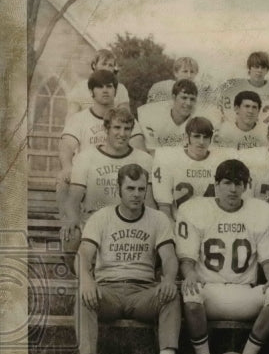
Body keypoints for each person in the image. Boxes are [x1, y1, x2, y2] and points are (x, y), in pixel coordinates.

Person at [176, 159, 269, 354]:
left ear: (246, 186)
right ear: (216, 184)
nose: (233, 189)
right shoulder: (195, 210)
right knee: (190, 292)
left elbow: (268, 260)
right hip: (209, 289)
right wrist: (189, 274)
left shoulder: (261, 212)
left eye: (239, 183)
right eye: (227, 183)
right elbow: (187, 259)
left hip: (244, 290)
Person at [75, 163, 181, 354]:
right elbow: (84, 254)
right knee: (83, 295)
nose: (136, 194)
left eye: (141, 189)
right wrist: (86, 279)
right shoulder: (101, 217)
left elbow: (170, 257)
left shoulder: (158, 219)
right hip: (108, 291)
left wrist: (169, 279)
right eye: (130, 189)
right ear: (118, 189)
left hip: (142, 292)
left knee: (171, 294)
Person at [61, 107, 155, 263]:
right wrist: (71, 219)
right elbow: (73, 200)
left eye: (127, 129)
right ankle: (78, 278)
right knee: (72, 233)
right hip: (94, 222)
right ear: (106, 129)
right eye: (117, 128)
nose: (122, 134)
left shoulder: (144, 159)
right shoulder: (86, 157)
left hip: (129, 222)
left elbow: (149, 202)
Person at [58, 70, 122, 212]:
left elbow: (138, 147)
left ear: (115, 90)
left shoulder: (125, 120)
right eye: (99, 86)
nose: (105, 90)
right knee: (63, 179)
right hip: (88, 176)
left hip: (115, 176)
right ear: (91, 91)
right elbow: (67, 145)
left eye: (109, 86)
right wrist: (67, 166)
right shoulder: (79, 119)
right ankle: (68, 225)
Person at [151, 116, 236, 220]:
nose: (201, 142)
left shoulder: (221, 160)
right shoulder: (170, 159)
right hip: (180, 225)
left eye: (205, 137)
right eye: (196, 136)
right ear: (187, 138)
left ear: (211, 139)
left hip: (213, 225)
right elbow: (164, 207)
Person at [131, 79, 219, 154]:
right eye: (184, 98)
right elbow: (149, 150)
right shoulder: (153, 115)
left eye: (192, 99)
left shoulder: (201, 117)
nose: (188, 103)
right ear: (174, 97)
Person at [215, 51, 269, 125]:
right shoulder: (236, 87)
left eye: (263, 67)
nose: (259, 70)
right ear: (249, 68)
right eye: (256, 67)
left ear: (267, 70)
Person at [66, 49, 131, 114]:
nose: (107, 68)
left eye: (110, 65)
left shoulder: (120, 89)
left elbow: (125, 117)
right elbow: (71, 118)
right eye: (104, 64)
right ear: (94, 65)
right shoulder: (80, 88)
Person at [147, 56, 211, 104]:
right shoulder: (163, 88)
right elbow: (151, 109)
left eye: (192, 72)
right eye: (185, 71)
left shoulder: (201, 92)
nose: (189, 75)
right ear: (176, 73)